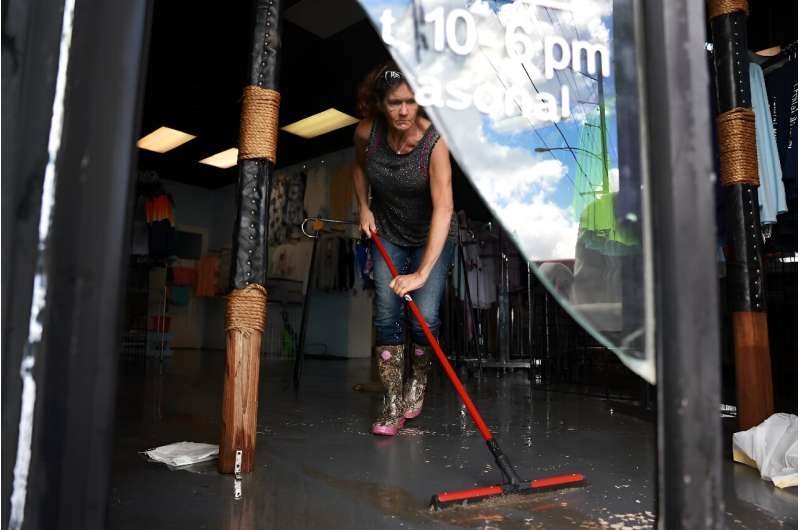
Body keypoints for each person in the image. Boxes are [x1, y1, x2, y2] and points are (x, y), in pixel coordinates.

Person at [352, 62, 457, 436]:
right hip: (389, 234)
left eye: (411, 103)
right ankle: (392, 399)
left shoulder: (434, 142)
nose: (403, 111)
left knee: (423, 319)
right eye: (395, 102)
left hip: (432, 234)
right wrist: (364, 207)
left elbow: (444, 208)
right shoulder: (367, 133)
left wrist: (422, 273)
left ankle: (418, 382)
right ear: (381, 103)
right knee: (385, 313)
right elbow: (359, 169)